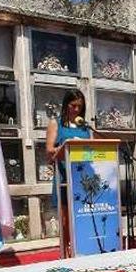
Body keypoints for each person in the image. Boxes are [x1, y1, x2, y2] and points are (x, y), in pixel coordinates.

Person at [46, 89, 90, 255]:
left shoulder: (85, 126)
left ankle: (83, 249)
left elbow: (91, 149)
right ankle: (66, 253)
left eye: (80, 106)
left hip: (83, 177)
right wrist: (67, 145)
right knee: (65, 219)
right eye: (73, 106)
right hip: (64, 178)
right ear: (66, 105)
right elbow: (49, 151)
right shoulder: (56, 123)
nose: (76, 110)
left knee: (82, 216)